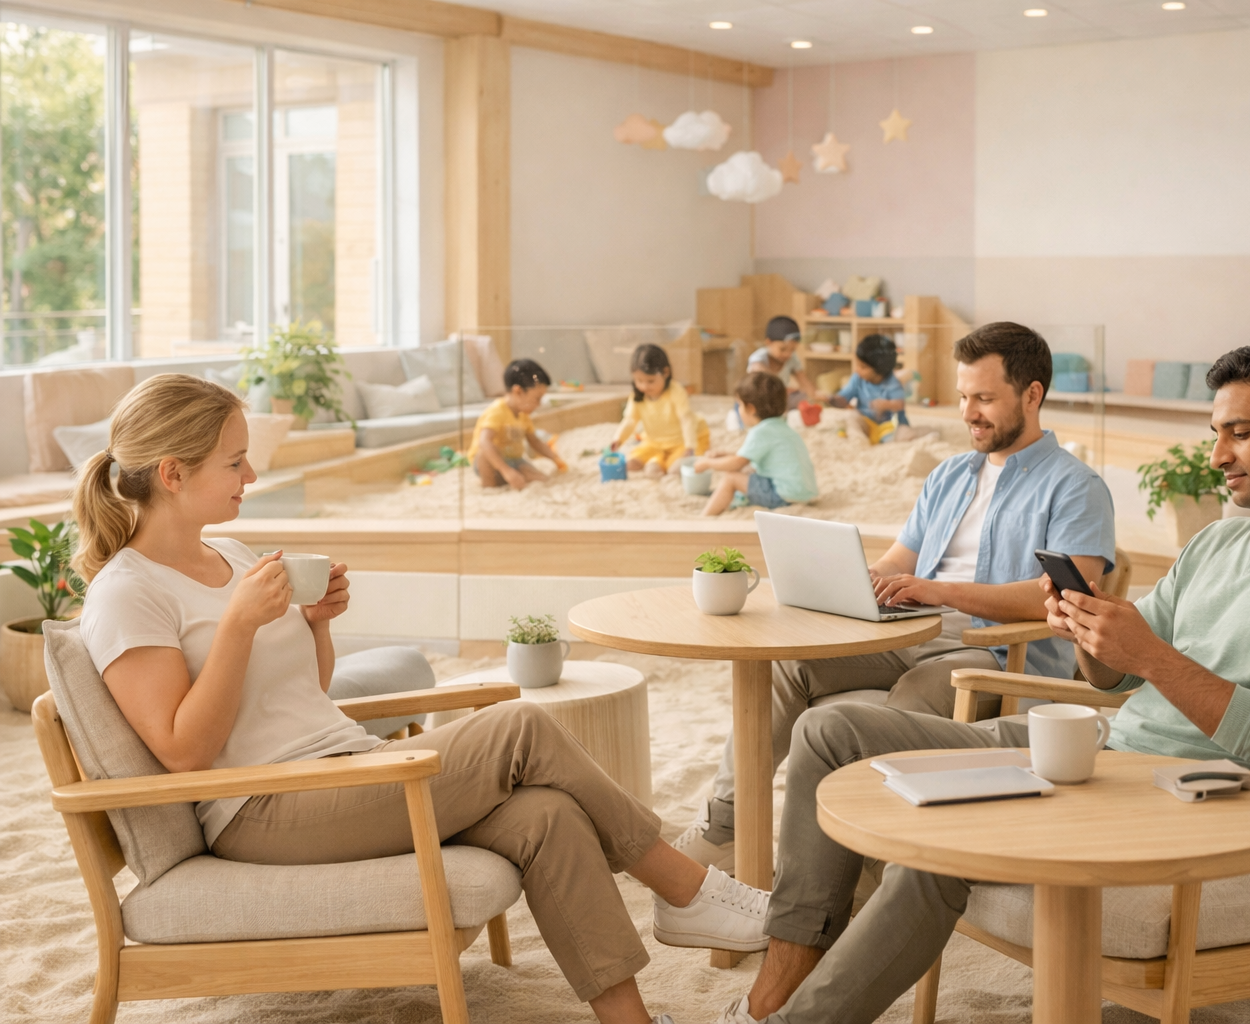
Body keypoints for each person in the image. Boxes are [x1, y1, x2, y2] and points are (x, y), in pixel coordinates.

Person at [706, 340, 1250, 1024]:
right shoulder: (1220, 540)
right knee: (830, 730)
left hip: (1184, 789)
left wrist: (1149, 657)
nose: (1216, 456)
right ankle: (787, 963)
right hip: (1102, 747)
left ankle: (782, 1013)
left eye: (1238, 432)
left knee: (946, 839)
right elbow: (1112, 682)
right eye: (1215, 432)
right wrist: (1092, 633)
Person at [73, 374, 768, 1024]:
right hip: (260, 810)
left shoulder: (228, 553)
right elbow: (183, 753)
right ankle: (684, 888)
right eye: (234, 463)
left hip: (339, 767)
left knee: (546, 814)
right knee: (519, 726)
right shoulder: (127, 594)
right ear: (172, 474)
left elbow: (303, 697)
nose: (251, 476)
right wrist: (237, 625)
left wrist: (314, 627)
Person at [677, 323, 1115, 874]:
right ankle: (725, 824)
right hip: (911, 629)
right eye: (962, 396)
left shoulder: (1075, 486)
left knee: (905, 699)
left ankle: (857, 868)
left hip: (994, 654)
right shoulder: (950, 474)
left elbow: (1061, 598)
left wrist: (937, 590)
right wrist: (846, 579)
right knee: (786, 662)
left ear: (1032, 394)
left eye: (984, 398)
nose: (967, 413)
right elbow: (896, 565)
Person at [694, 372, 818, 517]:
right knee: (749, 470)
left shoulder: (760, 431)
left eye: (739, 405)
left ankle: (705, 517)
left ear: (751, 408)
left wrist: (708, 463)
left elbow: (737, 463)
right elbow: (750, 458)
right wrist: (724, 455)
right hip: (806, 494)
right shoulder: (782, 427)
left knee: (731, 478)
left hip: (783, 496)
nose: (738, 409)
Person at [611, 343, 711, 478]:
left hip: (681, 441)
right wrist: (618, 439)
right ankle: (656, 461)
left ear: (665, 372)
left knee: (674, 470)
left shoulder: (675, 392)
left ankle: (666, 462)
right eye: (638, 381)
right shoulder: (637, 395)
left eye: (650, 381)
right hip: (654, 443)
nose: (644, 386)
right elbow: (630, 420)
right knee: (631, 464)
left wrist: (690, 445)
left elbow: (686, 419)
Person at [468, 358, 567, 489]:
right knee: (484, 456)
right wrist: (506, 470)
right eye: (537, 398)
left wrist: (555, 458)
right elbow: (484, 442)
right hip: (492, 462)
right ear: (518, 391)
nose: (539, 404)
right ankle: (491, 483)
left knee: (541, 478)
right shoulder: (497, 411)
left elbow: (535, 442)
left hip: (514, 460)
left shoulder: (523, 416)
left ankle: (507, 479)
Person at [825, 334, 920, 444]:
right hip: (867, 424)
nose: (857, 370)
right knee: (851, 417)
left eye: (863, 367)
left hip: (889, 426)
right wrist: (830, 399)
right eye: (857, 365)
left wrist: (885, 405)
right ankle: (858, 440)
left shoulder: (892, 381)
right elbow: (843, 399)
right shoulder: (858, 379)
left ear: (880, 369)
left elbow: (899, 404)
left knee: (904, 434)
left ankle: (913, 435)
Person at [748, 316, 819, 411]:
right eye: (782, 349)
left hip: (778, 400)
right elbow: (763, 376)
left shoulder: (792, 358)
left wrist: (814, 398)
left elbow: (804, 381)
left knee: (801, 398)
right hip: (755, 400)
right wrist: (785, 390)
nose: (787, 354)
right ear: (769, 342)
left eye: (792, 350)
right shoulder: (759, 358)